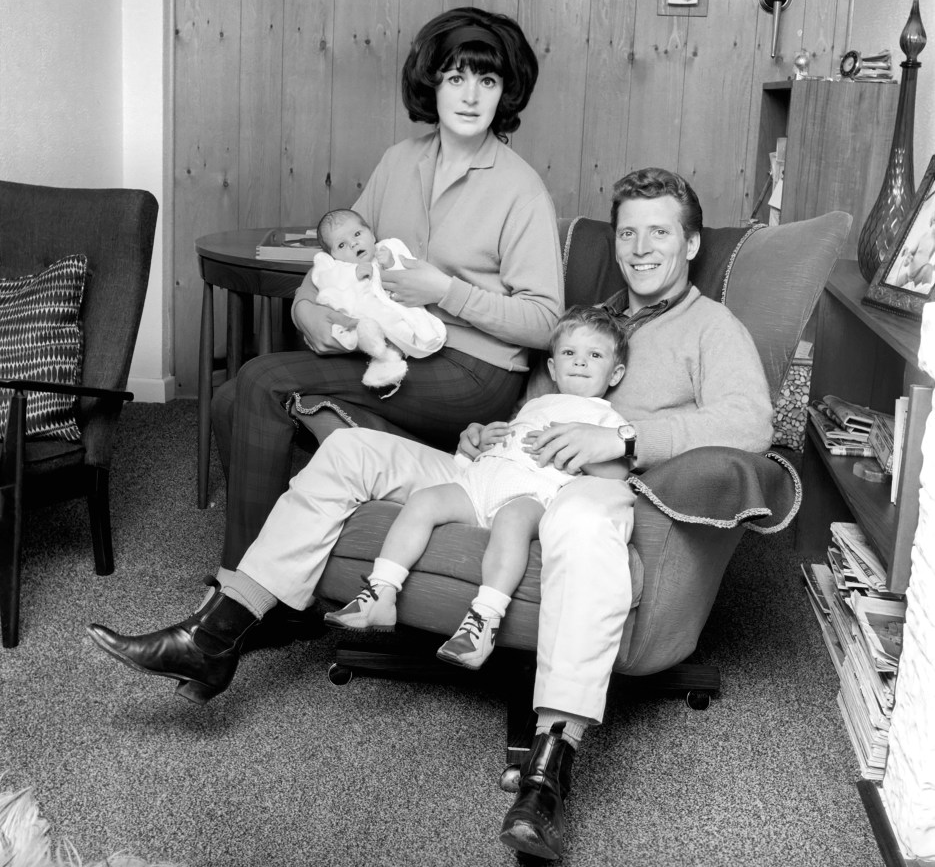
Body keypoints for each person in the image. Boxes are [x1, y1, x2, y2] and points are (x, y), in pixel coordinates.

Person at [87, 167, 775, 860]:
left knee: (585, 521)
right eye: (627, 232)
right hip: (499, 468)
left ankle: (547, 769)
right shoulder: (589, 322)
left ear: (689, 245)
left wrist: (622, 438)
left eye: (658, 232)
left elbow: (749, 422)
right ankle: (217, 634)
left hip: (589, 487)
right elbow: (530, 404)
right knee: (353, 451)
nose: (639, 247)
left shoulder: (712, 328)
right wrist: (487, 432)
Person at [210, 6, 563, 569]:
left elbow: (546, 321)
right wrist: (309, 315)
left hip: (477, 372)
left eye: (487, 80)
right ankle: (285, 567)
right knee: (233, 399)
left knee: (259, 375)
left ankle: (243, 587)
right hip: (399, 352)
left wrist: (444, 290)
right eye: (456, 78)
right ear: (434, 85)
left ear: (505, 94)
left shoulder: (522, 191)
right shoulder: (398, 162)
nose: (471, 95)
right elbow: (333, 260)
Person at [323, 305, 632, 670]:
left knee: (512, 520)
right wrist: (485, 437)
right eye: (569, 353)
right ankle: (380, 592)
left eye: (594, 355)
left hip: (535, 494)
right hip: (482, 482)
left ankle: (482, 622)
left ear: (615, 373)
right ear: (552, 368)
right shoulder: (537, 403)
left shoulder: (605, 418)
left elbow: (616, 474)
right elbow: (507, 440)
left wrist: (576, 448)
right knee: (424, 501)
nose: (579, 362)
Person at [309, 208, 447, 392]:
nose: (353, 243)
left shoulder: (387, 250)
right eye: (341, 245)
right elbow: (327, 281)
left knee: (399, 331)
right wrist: (352, 273)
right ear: (333, 255)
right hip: (362, 316)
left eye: (357, 234)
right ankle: (379, 354)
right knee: (363, 329)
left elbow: (409, 276)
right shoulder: (340, 267)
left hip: (394, 312)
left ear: (372, 234)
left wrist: (390, 263)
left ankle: (386, 360)